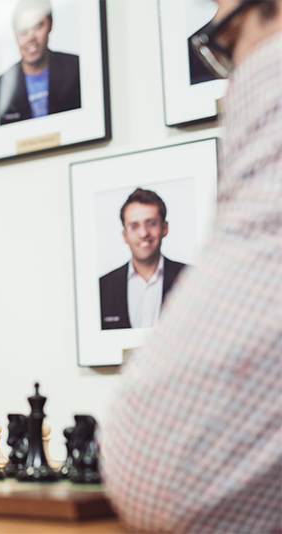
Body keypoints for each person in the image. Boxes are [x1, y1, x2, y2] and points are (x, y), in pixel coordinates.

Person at [102, 0, 282, 532]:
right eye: (134, 225)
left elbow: (179, 478)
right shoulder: (106, 287)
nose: (229, 89)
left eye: (226, 44)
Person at [99, 188, 187, 330]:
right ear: (124, 235)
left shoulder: (190, 278)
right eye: (134, 226)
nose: (143, 233)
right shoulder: (102, 288)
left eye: (150, 223)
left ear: (164, 228)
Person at [0, 0, 81, 125]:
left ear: (50, 24)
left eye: (38, 27)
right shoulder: (1, 86)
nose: (31, 38)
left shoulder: (75, 69)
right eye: (24, 32)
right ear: (15, 35)